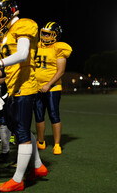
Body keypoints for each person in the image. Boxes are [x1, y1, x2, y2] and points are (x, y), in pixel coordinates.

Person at [0, 0, 48, 192]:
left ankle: (18, 179)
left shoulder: (24, 24)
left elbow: (23, 54)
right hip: (14, 86)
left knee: (22, 133)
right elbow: (7, 68)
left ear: (8, 11)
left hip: (25, 85)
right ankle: (37, 166)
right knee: (18, 128)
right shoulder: (7, 34)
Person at [34, 22, 72, 155]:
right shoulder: (36, 46)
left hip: (52, 87)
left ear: (56, 35)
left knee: (53, 114)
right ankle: (41, 141)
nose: (45, 36)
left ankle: (57, 144)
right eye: (43, 33)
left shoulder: (59, 48)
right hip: (37, 87)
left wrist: (48, 84)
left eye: (48, 34)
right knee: (38, 115)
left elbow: (61, 71)